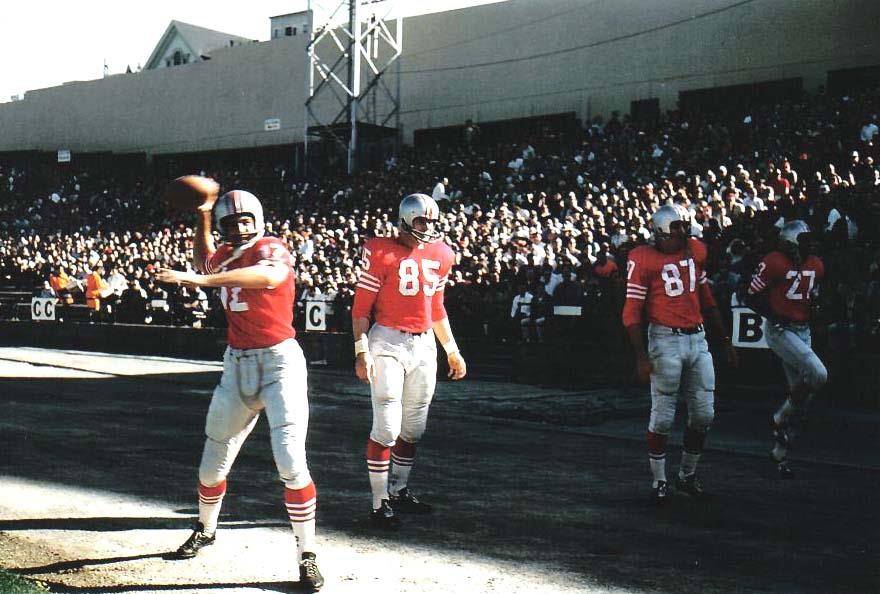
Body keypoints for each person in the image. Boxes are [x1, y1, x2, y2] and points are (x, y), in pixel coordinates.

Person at [156, 188, 323, 590]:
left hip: (279, 362)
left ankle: (307, 555)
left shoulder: (272, 247)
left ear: (260, 220)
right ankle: (205, 528)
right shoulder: (226, 255)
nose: (241, 228)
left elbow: (266, 275)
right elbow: (205, 258)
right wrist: (203, 216)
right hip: (237, 364)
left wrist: (201, 278)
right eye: (233, 223)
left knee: (290, 461)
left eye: (246, 220)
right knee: (212, 461)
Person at [351, 193, 467, 529]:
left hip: (424, 344)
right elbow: (360, 310)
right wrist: (361, 351)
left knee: (413, 428)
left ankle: (399, 490)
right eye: (421, 221)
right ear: (404, 220)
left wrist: (452, 349)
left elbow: (437, 308)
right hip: (387, 338)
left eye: (432, 221)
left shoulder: (442, 254)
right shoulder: (381, 250)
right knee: (386, 425)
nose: (428, 228)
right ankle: (378, 502)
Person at [622, 205, 737, 505]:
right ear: (659, 233)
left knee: (704, 414)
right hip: (665, 339)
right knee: (662, 417)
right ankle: (659, 479)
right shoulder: (643, 258)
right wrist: (640, 355)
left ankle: (687, 475)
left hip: (697, 339)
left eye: (683, 226)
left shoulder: (693, 252)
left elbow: (707, 299)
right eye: (675, 228)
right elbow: (632, 311)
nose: (682, 232)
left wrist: (724, 339)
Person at [746, 220, 827, 478]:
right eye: (803, 240)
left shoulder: (816, 264)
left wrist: (815, 307)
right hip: (781, 330)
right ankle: (779, 417)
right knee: (818, 375)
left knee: (803, 399)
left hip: (803, 330)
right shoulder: (774, 261)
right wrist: (772, 314)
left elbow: (812, 295)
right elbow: (750, 295)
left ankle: (780, 455)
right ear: (790, 243)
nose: (809, 245)